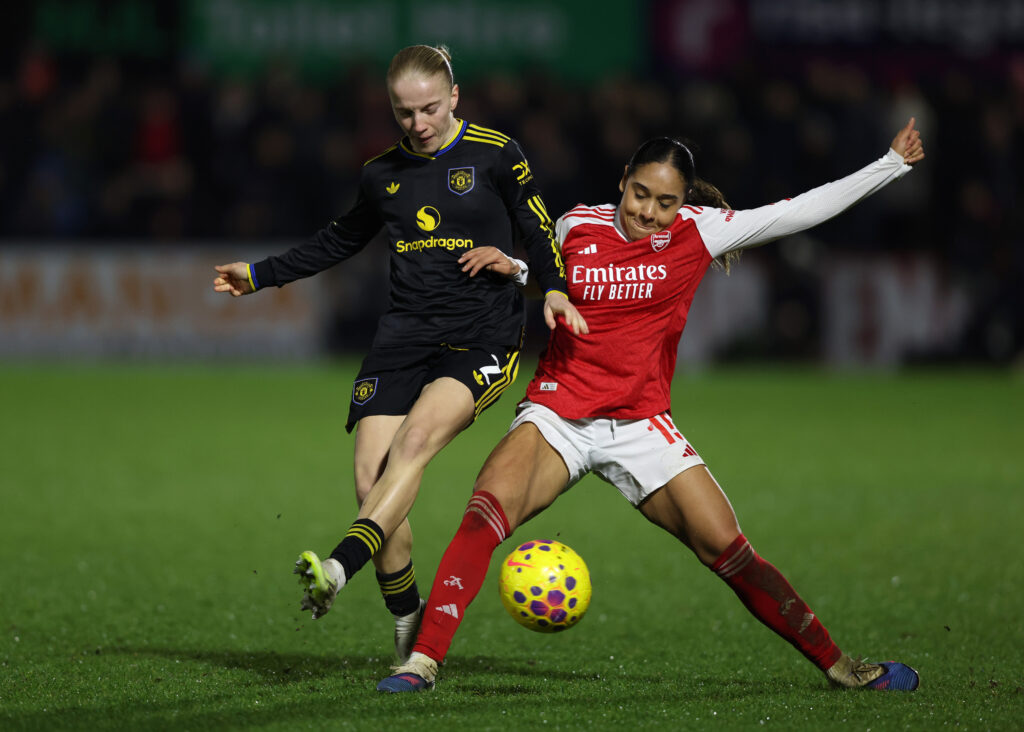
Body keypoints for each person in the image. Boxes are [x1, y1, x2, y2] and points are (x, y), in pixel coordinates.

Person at [377, 119, 926, 693]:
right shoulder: (576, 224)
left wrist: (888, 164)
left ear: (683, 202)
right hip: (559, 415)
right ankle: (421, 665)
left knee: (732, 551)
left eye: (666, 202)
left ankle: (843, 669)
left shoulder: (699, 231)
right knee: (483, 514)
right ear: (623, 181)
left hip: (641, 423)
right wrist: (516, 270)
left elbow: (800, 210)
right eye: (641, 194)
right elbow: (554, 278)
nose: (648, 212)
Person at [212, 44, 587, 663]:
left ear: (454, 97)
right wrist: (260, 274)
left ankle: (337, 568)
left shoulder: (496, 153)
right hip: (402, 338)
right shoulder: (381, 173)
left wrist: (550, 286)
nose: (418, 124)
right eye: (404, 112)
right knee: (370, 480)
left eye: (430, 109)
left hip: (482, 338)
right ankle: (407, 617)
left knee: (412, 447)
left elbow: (539, 225)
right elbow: (340, 239)